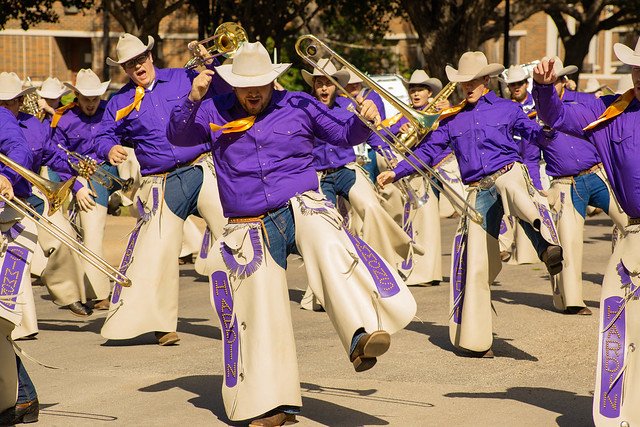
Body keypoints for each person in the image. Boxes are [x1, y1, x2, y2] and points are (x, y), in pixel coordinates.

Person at [168, 42, 416, 426]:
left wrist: (364, 119)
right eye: (245, 86)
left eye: (261, 85)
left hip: (300, 202)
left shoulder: (299, 104)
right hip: (247, 222)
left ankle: (360, 337)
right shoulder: (214, 110)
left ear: (273, 81)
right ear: (233, 85)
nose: (253, 93)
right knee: (261, 315)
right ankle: (274, 406)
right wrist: (193, 97)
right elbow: (179, 138)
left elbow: (343, 133)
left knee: (329, 240)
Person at [378, 51, 563, 357]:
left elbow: (537, 135)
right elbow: (428, 152)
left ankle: (545, 246)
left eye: (473, 80)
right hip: (478, 188)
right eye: (463, 81)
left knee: (514, 191)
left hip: (507, 173)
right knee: (475, 263)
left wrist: (550, 130)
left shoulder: (507, 108)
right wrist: (396, 171)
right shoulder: (452, 119)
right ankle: (477, 342)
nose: (468, 86)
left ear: (486, 80)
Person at [95, 33, 229, 345]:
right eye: (129, 64)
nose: (137, 66)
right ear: (124, 69)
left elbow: (223, 89)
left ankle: (246, 308)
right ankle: (162, 323)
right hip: (162, 181)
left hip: (201, 167)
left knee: (234, 232)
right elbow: (103, 134)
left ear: (151, 56)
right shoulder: (119, 101)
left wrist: (211, 60)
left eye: (140, 58)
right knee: (158, 251)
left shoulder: (182, 76)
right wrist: (109, 148)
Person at [532, 38, 640, 425]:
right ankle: (625, 412)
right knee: (620, 322)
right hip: (628, 232)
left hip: (604, 196)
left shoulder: (604, 108)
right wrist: (544, 89)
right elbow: (557, 119)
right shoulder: (614, 116)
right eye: (636, 68)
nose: (639, 76)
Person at [530, 58, 627, 315]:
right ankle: (573, 301)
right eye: (549, 81)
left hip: (598, 174)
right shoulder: (537, 113)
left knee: (631, 223)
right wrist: (538, 187)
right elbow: (529, 155)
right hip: (565, 183)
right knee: (569, 241)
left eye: (557, 80)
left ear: (564, 81)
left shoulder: (586, 102)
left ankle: (630, 284)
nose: (553, 84)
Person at [0, 72, 91, 335]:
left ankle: (69, 294)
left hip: (30, 195)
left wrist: (76, 177)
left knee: (65, 238)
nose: (7, 108)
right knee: (16, 262)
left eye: (12, 102)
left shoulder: (35, 126)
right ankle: (20, 326)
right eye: (2, 103)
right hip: (9, 204)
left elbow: (52, 155)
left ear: (20, 101)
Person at [381, 69, 463, 286]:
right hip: (414, 172)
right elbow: (385, 135)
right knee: (418, 221)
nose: (416, 94)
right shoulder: (403, 115)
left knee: (457, 211)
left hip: (443, 166)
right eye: (413, 90)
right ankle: (421, 271)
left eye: (421, 90)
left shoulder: (442, 110)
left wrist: (449, 111)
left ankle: (436, 270)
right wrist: (401, 132)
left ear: (430, 93)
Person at [50, 68, 120, 310]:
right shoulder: (63, 119)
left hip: (110, 172)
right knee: (91, 232)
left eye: (95, 98)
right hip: (80, 178)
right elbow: (56, 157)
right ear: (76, 96)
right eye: (86, 98)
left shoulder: (110, 111)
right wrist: (77, 185)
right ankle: (98, 292)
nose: (91, 104)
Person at [0, 90, 40, 426]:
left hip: (10, 227)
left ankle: (21, 397)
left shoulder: (1, 117)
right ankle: (21, 397)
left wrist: (6, 176)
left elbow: (19, 150)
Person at [498, 64, 543, 265]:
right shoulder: (506, 107)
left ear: (526, 84)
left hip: (532, 159)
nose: (516, 87)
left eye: (519, 83)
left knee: (532, 201)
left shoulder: (537, 105)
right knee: (506, 203)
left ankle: (530, 252)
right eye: (512, 84)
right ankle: (503, 247)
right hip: (511, 160)